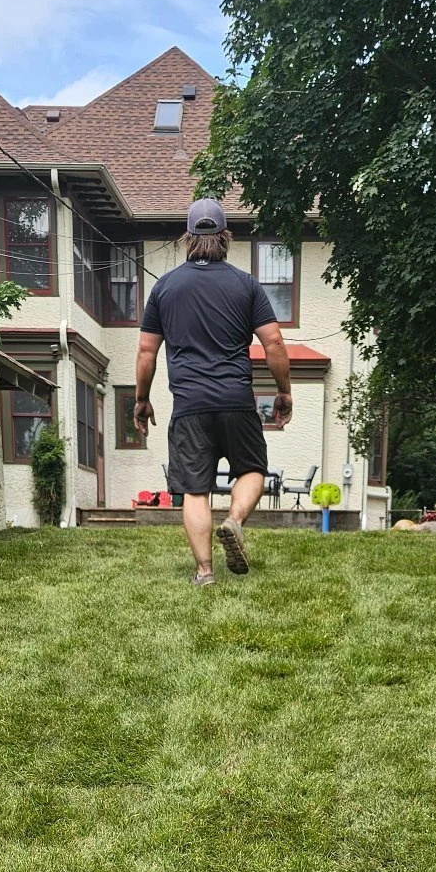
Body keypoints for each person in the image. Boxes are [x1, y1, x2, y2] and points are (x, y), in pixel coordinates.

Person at [134, 199, 294, 586]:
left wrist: (142, 398)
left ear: (188, 237)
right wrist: (284, 391)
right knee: (253, 469)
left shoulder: (165, 288)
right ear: (225, 237)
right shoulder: (246, 284)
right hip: (236, 399)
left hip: (189, 405)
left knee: (194, 489)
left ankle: (205, 572)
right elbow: (273, 342)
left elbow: (145, 351)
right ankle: (235, 522)